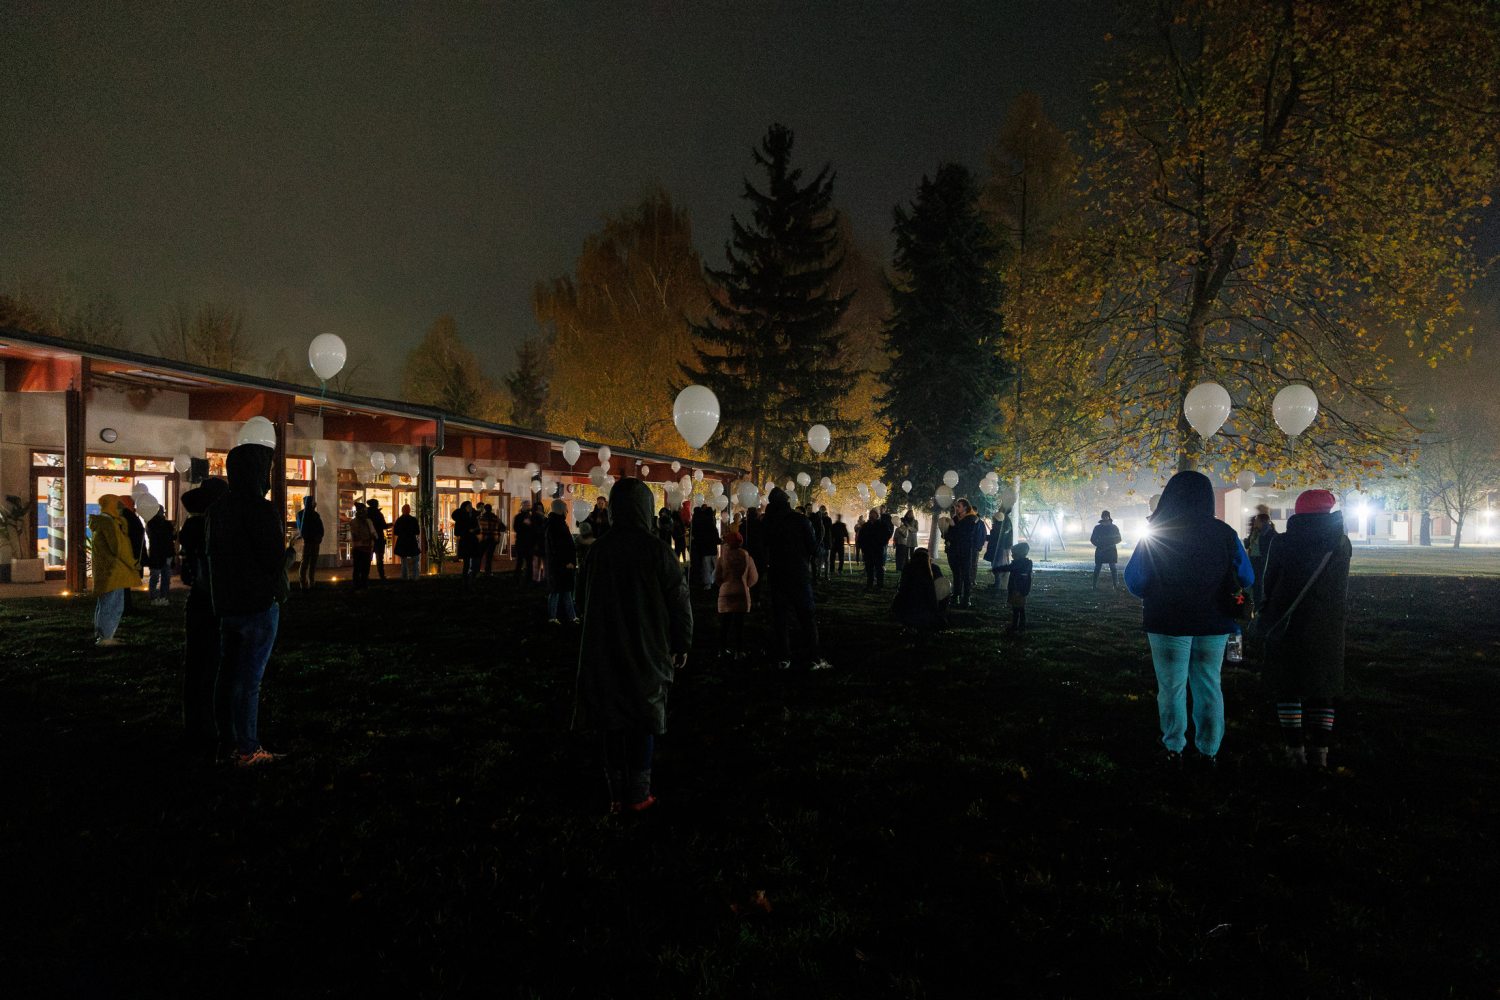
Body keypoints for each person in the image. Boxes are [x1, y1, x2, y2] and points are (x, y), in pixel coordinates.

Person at [573, 477, 693, 813]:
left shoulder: (598, 551)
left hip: (604, 650)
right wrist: (681, 642)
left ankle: (615, 795)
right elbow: (680, 602)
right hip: (648, 648)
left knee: (611, 721)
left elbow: (579, 599)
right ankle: (639, 794)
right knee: (642, 719)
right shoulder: (657, 551)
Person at [1124, 470, 1253, 768]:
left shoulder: (1160, 532)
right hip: (1215, 621)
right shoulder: (1224, 534)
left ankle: (1174, 747)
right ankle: (1209, 750)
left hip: (1167, 621)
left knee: (1171, 686)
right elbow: (1246, 576)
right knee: (1209, 684)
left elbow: (1136, 580)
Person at [207, 440, 290, 767]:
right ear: (257, 473)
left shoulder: (218, 509)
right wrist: (289, 557)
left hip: (228, 605)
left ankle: (227, 743)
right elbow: (271, 561)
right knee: (249, 681)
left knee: (227, 677)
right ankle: (248, 748)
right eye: (266, 470)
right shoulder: (260, 509)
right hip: (257, 605)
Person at [1261, 489, 1352, 771]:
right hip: (1327, 625)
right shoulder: (1341, 543)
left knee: (1288, 688)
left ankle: (1295, 751)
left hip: (1287, 623)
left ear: (1297, 513)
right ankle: (1320, 753)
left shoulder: (1282, 542)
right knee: (1322, 689)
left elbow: (1269, 582)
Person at [178, 477, 227, 753]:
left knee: (196, 665)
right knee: (210, 665)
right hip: (211, 601)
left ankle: (196, 723)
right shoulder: (208, 527)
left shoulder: (192, 526)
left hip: (198, 600)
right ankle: (208, 725)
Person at [762, 487, 832, 671]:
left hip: (777, 574)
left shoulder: (768, 522)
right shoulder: (800, 521)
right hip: (798, 574)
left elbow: (764, 547)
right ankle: (814, 657)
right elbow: (813, 549)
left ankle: (783, 657)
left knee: (781, 618)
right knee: (807, 617)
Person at [88, 494, 139, 647]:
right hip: (114, 570)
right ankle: (106, 637)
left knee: (105, 602)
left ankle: (102, 634)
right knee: (114, 604)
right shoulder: (109, 523)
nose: (120, 508)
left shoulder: (102, 522)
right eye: (118, 505)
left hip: (107, 569)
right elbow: (118, 547)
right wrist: (132, 563)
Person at [714, 529, 759, 661]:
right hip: (741, 591)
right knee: (739, 624)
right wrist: (747, 585)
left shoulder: (722, 558)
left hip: (726, 592)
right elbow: (754, 576)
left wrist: (723, 585)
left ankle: (721, 650)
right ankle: (738, 651)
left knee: (724, 623)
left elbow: (717, 577)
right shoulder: (746, 556)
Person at [890, 546, 949, 644]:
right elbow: (943, 593)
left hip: (910, 613)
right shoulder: (934, 569)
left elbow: (902, 590)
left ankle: (910, 626)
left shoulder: (909, 568)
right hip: (931, 613)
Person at [945, 498, 986, 608]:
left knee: (966, 575)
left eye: (959, 506)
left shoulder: (972, 519)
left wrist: (954, 526)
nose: (956, 508)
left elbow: (965, 534)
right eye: (956, 506)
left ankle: (966, 598)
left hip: (966, 551)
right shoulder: (955, 518)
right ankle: (956, 595)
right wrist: (947, 537)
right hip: (954, 550)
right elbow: (949, 534)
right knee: (956, 574)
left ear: (965, 508)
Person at [544, 499, 579, 624]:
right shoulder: (556, 525)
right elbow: (558, 547)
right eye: (565, 508)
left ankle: (571, 616)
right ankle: (554, 617)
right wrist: (566, 562)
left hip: (561, 565)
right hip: (560, 565)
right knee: (558, 591)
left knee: (564, 591)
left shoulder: (557, 523)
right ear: (560, 510)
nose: (567, 511)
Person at [991, 542, 1035, 634]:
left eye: (1013, 553)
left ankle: (1016, 626)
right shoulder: (1026, 564)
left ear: (1019, 554)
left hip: (1017, 590)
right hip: (1022, 590)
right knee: (1020, 608)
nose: (1012, 555)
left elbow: (1008, 568)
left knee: (1016, 609)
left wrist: (996, 569)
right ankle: (1020, 626)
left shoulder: (1018, 564)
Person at [1245, 504, 1278, 609]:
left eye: (1257, 521)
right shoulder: (1255, 532)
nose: (1255, 522)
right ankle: (1252, 603)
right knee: (1253, 582)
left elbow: (1272, 545)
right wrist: (1248, 540)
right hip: (1252, 559)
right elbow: (1247, 545)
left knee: (1258, 583)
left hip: (1261, 561)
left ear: (1262, 522)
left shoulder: (1269, 533)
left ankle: (1258, 605)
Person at [144, 505, 177, 606]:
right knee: (164, 577)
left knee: (157, 576)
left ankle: (155, 597)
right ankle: (162, 597)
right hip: (164, 553)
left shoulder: (150, 524)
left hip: (157, 553)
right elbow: (172, 537)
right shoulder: (165, 524)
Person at [858, 508, 893, 591]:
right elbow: (861, 537)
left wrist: (882, 543)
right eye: (870, 514)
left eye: (873, 514)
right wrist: (863, 547)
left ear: (877, 515)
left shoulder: (882, 525)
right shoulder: (866, 526)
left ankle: (879, 585)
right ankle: (869, 584)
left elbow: (887, 535)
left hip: (878, 550)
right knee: (869, 568)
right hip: (868, 551)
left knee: (879, 568)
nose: (871, 516)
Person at [690, 503, 720, 590]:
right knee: (714, 565)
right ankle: (714, 581)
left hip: (705, 549)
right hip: (712, 548)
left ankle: (708, 583)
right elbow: (715, 535)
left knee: (706, 566)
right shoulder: (711, 524)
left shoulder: (699, 523)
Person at [1090, 510, 1123, 590]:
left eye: (1106, 516)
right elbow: (1092, 539)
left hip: (1110, 550)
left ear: (1109, 517)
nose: (1105, 517)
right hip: (1102, 550)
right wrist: (1099, 545)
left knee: (1113, 568)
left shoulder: (1113, 527)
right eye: (1104, 516)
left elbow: (1119, 538)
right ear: (1102, 517)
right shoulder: (1098, 528)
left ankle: (1115, 585)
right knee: (1098, 568)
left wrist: (1110, 543)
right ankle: (1094, 585)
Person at [296, 497, 324, 590]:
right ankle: (304, 583)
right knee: (306, 562)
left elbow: (320, 528)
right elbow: (301, 528)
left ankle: (310, 582)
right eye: (313, 502)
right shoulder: (303, 514)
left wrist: (319, 538)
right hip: (308, 542)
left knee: (311, 562)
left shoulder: (313, 514)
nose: (315, 503)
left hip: (313, 542)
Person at [452, 500, 480, 584]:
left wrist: (474, 530)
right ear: (465, 507)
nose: (471, 508)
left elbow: (478, 529)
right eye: (469, 506)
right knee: (467, 561)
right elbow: (457, 532)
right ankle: (466, 578)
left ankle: (471, 576)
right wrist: (468, 531)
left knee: (474, 560)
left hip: (471, 541)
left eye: (471, 506)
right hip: (466, 542)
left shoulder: (473, 517)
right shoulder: (460, 518)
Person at [349, 503, 376, 589]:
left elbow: (373, 533)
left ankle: (359, 585)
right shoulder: (364, 522)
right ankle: (361, 585)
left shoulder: (364, 522)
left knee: (361, 568)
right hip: (362, 548)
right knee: (361, 569)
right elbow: (373, 534)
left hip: (362, 548)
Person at [393, 502, 421, 580]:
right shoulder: (413, 520)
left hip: (402, 542)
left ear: (402, 511)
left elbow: (396, 532)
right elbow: (417, 532)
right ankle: (415, 577)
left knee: (404, 560)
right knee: (415, 559)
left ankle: (405, 577)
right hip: (412, 541)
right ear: (409, 510)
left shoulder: (399, 520)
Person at [989, 506, 1014, 590]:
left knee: (1000, 564)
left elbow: (1004, 533)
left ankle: (1000, 584)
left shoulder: (1005, 520)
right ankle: (1000, 583)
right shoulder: (1005, 520)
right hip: (1004, 546)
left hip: (1003, 547)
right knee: (1001, 564)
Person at [512, 500, 536, 581]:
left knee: (529, 562)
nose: (528, 507)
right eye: (526, 505)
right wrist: (524, 524)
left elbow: (534, 529)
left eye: (529, 505)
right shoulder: (518, 517)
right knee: (519, 561)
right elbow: (516, 528)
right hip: (521, 542)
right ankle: (517, 578)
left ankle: (529, 579)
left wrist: (530, 525)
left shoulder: (532, 517)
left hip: (529, 543)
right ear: (521, 506)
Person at [366, 499, 388, 581]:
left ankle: (366, 575)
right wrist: (391, 524)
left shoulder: (367, 514)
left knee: (368, 559)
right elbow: (384, 526)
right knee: (380, 559)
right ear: (375, 505)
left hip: (369, 539)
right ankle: (381, 575)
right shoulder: (379, 514)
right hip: (379, 539)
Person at [477, 502, 501, 575]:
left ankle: (477, 570)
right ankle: (488, 571)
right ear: (491, 509)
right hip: (492, 539)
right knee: (489, 556)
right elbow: (501, 527)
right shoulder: (495, 517)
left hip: (483, 539)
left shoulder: (481, 517)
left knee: (480, 555)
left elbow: (478, 528)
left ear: (485, 509)